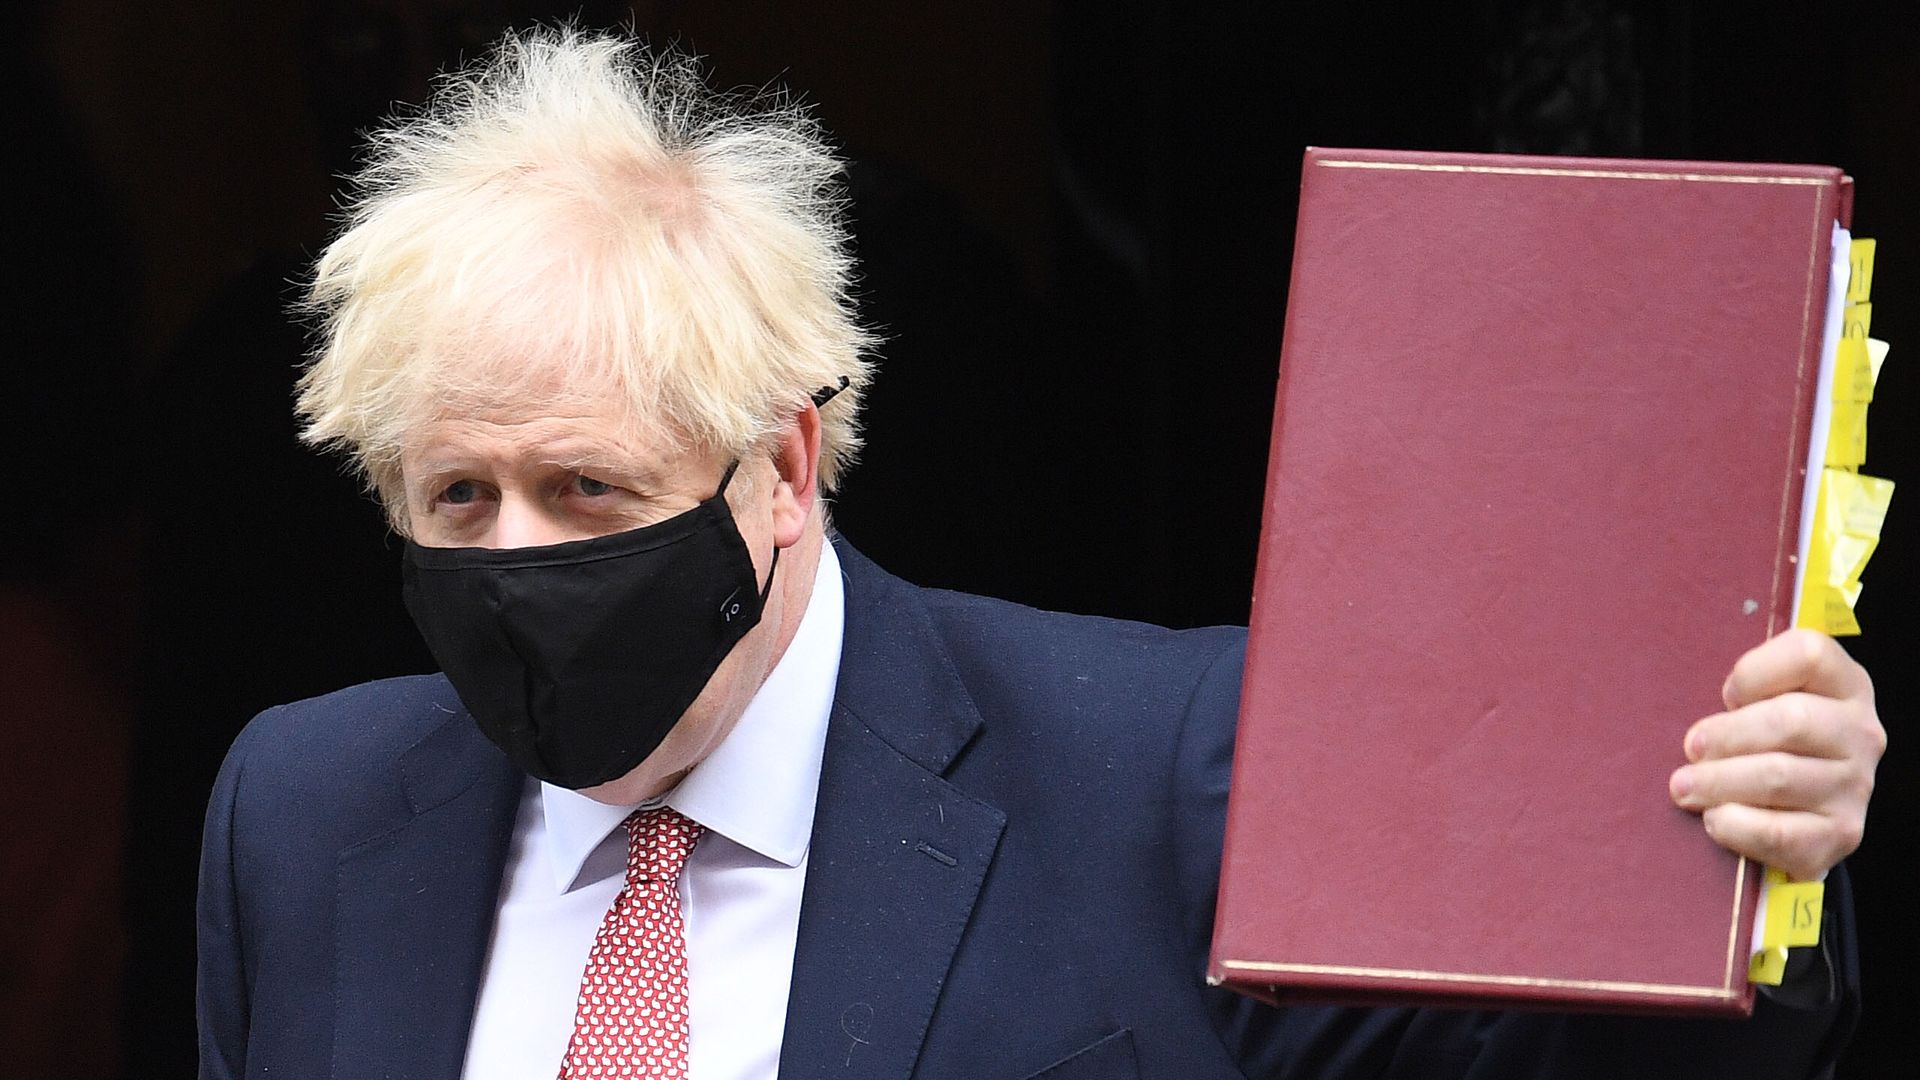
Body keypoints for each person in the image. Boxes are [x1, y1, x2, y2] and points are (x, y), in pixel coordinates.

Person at [197, 27, 1883, 1080]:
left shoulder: (1178, 771)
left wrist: (1752, 857)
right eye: (453, 499)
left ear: (785, 465)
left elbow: (1568, 1058)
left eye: (584, 489)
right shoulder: (306, 810)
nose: (512, 553)